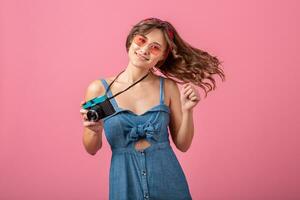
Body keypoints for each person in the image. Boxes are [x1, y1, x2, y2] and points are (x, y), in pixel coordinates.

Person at [79, 17, 225, 200]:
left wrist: (188, 110)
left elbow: (183, 144)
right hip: (124, 183)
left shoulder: (168, 87)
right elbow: (91, 148)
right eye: (142, 40)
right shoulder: (99, 89)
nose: (145, 49)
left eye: (155, 47)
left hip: (168, 181)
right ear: (132, 39)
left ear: (163, 56)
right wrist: (94, 130)